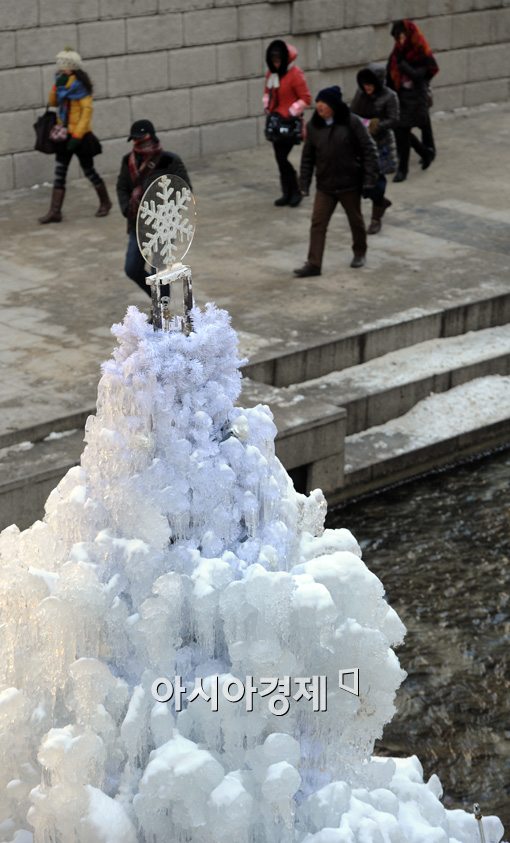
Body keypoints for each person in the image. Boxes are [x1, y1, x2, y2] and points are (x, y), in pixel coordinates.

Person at [294, 86, 379, 275]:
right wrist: (304, 183)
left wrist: (369, 179)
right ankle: (314, 264)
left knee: (355, 221)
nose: (320, 108)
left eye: (324, 104)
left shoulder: (351, 122)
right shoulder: (314, 126)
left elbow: (369, 150)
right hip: (325, 185)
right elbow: (307, 157)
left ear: (333, 105)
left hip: (349, 183)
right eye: (318, 104)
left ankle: (359, 252)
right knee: (318, 223)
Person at [116, 119, 192, 296]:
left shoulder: (169, 160)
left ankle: (162, 311)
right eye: (134, 139)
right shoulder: (128, 161)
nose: (137, 142)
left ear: (151, 136)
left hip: (163, 225)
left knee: (159, 271)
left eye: (140, 138)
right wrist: (127, 207)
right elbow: (122, 186)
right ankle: (157, 299)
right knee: (131, 268)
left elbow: (184, 189)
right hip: (137, 224)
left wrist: (165, 209)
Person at [39, 48, 111, 224]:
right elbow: (54, 103)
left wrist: (77, 136)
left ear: (72, 68)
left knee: (89, 171)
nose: (61, 69)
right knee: (59, 173)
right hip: (63, 135)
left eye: (64, 66)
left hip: (80, 137)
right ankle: (55, 212)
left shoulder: (81, 87)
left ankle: (105, 202)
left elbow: (86, 113)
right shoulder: (61, 82)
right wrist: (56, 86)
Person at [387, 19, 439, 182]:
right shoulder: (397, 52)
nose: (400, 40)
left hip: (416, 96)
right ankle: (425, 153)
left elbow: (422, 74)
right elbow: (390, 72)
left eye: (402, 36)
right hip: (401, 96)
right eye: (397, 37)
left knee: (411, 128)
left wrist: (404, 67)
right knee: (400, 130)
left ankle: (406, 168)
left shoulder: (420, 50)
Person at [350, 63, 399, 234]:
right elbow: (352, 112)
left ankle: (376, 216)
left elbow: (394, 119)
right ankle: (381, 201)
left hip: (381, 143)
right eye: (365, 84)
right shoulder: (360, 94)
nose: (367, 87)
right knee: (361, 180)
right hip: (362, 142)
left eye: (370, 84)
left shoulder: (390, 96)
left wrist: (377, 125)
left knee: (377, 182)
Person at [263, 39, 311, 207]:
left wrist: (293, 110)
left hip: (290, 122)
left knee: (283, 158)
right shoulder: (271, 74)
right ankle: (287, 192)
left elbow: (306, 98)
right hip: (276, 121)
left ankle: (296, 190)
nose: (276, 64)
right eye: (273, 61)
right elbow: (268, 92)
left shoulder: (295, 74)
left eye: (278, 61)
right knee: (279, 158)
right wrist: (267, 105)